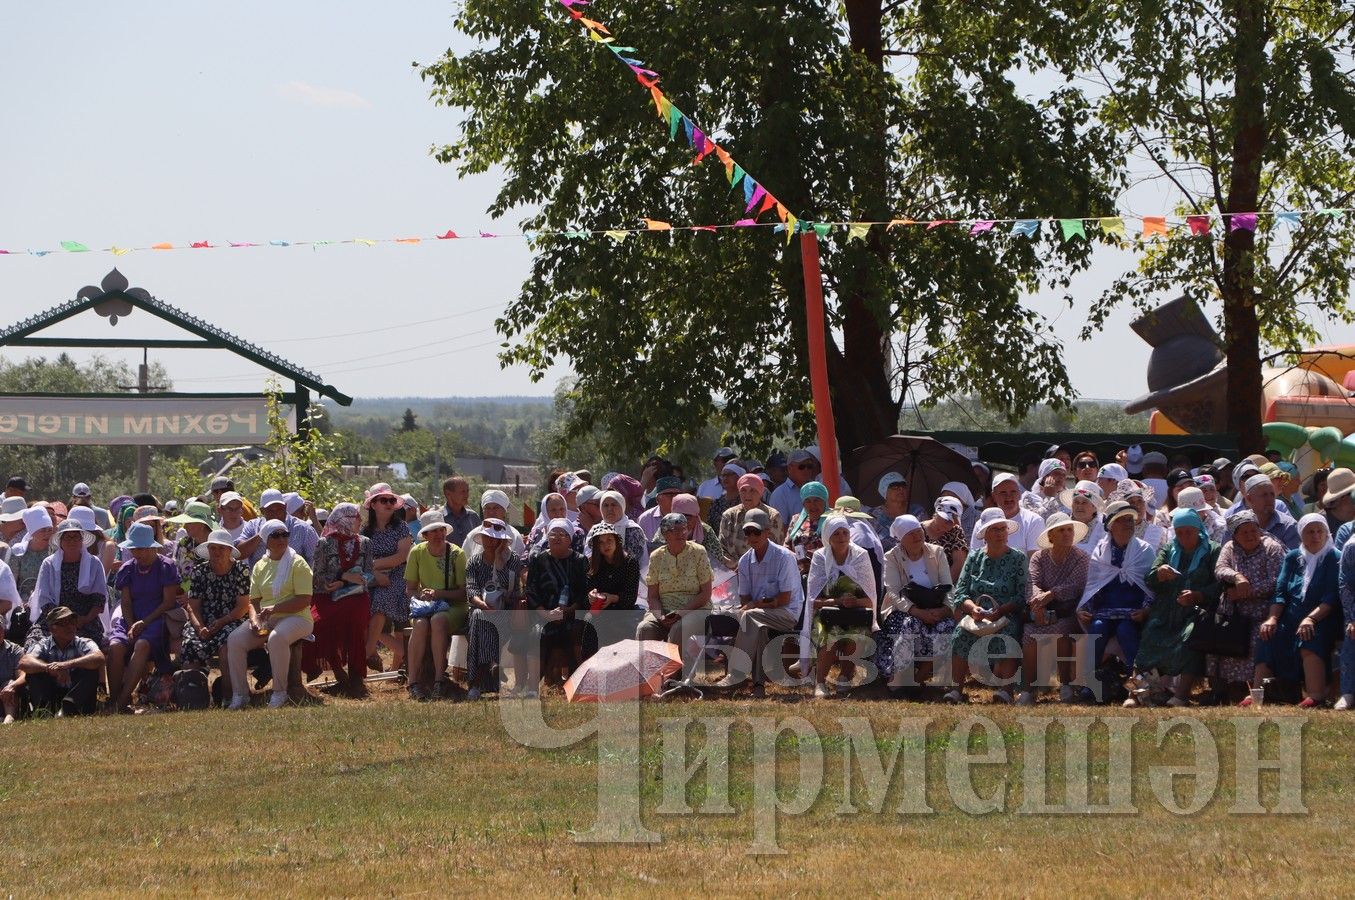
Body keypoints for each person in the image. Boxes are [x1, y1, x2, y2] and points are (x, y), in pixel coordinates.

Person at [1130, 508, 1223, 707]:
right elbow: (1150, 579)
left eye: (1188, 532)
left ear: (1198, 529)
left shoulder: (1213, 550)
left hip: (1196, 611)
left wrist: (1199, 595)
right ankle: (1136, 694)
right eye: (1179, 532)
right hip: (1166, 610)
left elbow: (1220, 583)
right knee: (1150, 635)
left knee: (1190, 636)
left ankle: (1181, 695)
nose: (1183, 537)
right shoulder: (1170, 549)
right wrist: (1159, 574)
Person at [711, 509, 803, 697]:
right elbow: (744, 598)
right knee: (753, 622)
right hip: (759, 614)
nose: (752, 536)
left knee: (751, 617)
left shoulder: (784, 557)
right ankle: (759, 686)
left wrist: (756, 604)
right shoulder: (744, 561)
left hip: (787, 613)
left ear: (768, 532)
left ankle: (735, 674)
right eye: (748, 532)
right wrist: (752, 606)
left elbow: (784, 599)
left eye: (757, 532)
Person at [226, 519, 315, 709]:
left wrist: (274, 609)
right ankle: (240, 695)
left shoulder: (298, 563)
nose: (282, 538)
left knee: (276, 638)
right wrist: (254, 619)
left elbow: (304, 600)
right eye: (276, 535)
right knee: (234, 640)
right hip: (268, 618)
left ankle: (280, 692)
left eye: (285, 534)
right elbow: (254, 600)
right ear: (266, 540)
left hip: (298, 617)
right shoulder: (260, 565)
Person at [1253, 513, 1340, 707]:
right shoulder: (1293, 557)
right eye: (1310, 531)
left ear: (1327, 534)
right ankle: (1258, 694)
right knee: (1268, 635)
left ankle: (1315, 695)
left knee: (1309, 637)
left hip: (1322, 617)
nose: (1315, 535)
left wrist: (1311, 619)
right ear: (1301, 534)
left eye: (1320, 531)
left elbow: (1331, 597)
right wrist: (1272, 618)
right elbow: (1280, 592)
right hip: (1291, 615)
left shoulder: (1334, 558)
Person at [945, 507, 1027, 704]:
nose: (1000, 534)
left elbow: (1021, 595)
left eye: (1002, 529)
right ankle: (956, 690)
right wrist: (973, 609)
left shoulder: (1018, 559)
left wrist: (1001, 611)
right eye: (995, 529)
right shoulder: (974, 557)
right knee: (960, 635)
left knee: (1009, 632)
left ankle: (1005, 691)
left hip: (1007, 614)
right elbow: (961, 591)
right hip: (977, 615)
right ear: (985, 535)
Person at [1076, 501, 1154, 702]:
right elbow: (1094, 586)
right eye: (1122, 520)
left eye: (1131, 520)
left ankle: (1137, 688)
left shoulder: (1144, 550)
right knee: (1097, 628)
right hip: (1105, 610)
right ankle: (1090, 685)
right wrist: (1085, 609)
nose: (1129, 524)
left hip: (1133, 611)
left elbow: (1150, 587)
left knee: (1125, 631)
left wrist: (1145, 611)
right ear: (1111, 525)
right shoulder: (1100, 552)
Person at [1210, 510, 1286, 702]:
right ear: (1235, 535)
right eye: (1244, 532)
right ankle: (1227, 689)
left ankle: (1255, 691)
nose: (1250, 535)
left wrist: (1247, 591)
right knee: (1219, 636)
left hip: (1263, 610)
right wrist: (1237, 577)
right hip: (1233, 611)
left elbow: (1276, 581)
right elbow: (1220, 569)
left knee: (1255, 637)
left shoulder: (1272, 548)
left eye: (1253, 530)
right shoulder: (1230, 547)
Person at [874, 514, 954, 695]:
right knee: (910, 624)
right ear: (901, 539)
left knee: (948, 627)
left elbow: (949, 586)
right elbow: (893, 592)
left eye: (919, 532)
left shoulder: (937, 552)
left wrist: (945, 610)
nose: (917, 536)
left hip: (935, 609)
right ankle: (899, 678)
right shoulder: (892, 557)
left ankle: (919, 679)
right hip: (903, 610)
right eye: (911, 534)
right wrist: (916, 611)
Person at [1018, 513, 1089, 705]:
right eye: (1061, 530)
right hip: (1042, 610)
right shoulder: (1039, 558)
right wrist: (1037, 603)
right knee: (1029, 633)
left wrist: (1051, 594)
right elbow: (1032, 582)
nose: (1067, 534)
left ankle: (1066, 684)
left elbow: (1077, 586)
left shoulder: (1081, 558)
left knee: (1061, 630)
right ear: (1051, 536)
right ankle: (1027, 690)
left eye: (1069, 530)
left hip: (1070, 611)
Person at [109, 522, 179, 713]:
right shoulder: (128, 568)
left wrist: (144, 622)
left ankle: (122, 701)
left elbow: (168, 602)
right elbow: (126, 603)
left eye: (140, 548)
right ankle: (113, 698)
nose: (136, 553)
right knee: (115, 647)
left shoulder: (167, 566)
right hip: (131, 619)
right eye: (133, 548)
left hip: (157, 619)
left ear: (151, 547)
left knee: (142, 645)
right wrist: (132, 625)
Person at [306, 503, 374, 699]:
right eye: (356, 517)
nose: (360, 521)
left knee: (354, 618)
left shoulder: (365, 543)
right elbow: (316, 577)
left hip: (356, 596)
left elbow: (369, 575)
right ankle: (338, 673)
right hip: (327, 596)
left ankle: (356, 678)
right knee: (318, 622)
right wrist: (341, 577)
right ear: (344, 519)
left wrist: (357, 581)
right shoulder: (324, 543)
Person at [806, 516, 878, 698]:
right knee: (831, 634)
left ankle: (845, 676)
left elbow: (870, 599)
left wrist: (854, 602)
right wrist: (838, 602)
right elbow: (814, 600)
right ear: (828, 537)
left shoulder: (860, 555)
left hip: (857, 611)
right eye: (836, 533)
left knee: (857, 631)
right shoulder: (820, 557)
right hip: (826, 612)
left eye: (845, 532)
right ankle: (820, 682)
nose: (841, 537)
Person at [179, 529, 251, 695]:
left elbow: (242, 607)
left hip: (232, 619)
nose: (217, 552)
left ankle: (228, 696)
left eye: (221, 548)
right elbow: (193, 606)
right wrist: (199, 627)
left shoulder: (241, 570)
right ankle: (193, 697)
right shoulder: (199, 571)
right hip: (204, 620)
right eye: (213, 548)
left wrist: (221, 622)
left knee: (226, 646)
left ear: (229, 550)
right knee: (189, 644)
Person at [405, 511, 468, 701]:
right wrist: (423, 596)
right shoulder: (416, 552)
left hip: (453, 607)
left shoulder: (457, 553)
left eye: (440, 529)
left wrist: (438, 594)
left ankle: (439, 680)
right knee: (421, 624)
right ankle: (413, 682)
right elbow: (410, 590)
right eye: (432, 531)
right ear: (424, 535)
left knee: (438, 620)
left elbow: (463, 592)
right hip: (425, 608)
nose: (438, 534)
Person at [524, 519, 591, 688]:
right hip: (543, 615)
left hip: (572, 613)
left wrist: (568, 610)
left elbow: (584, 593)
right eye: (553, 533)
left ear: (570, 539)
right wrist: (546, 614)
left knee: (576, 630)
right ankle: (532, 686)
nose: (557, 537)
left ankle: (578, 681)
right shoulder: (539, 560)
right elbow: (531, 592)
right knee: (537, 633)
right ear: (547, 537)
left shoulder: (580, 560)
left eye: (563, 534)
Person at [24, 519, 107, 653]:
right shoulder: (49, 564)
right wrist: (63, 621)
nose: (72, 541)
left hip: (85, 621)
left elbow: (99, 599)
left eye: (76, 537)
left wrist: (83, 619)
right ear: (60, 541)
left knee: (86, 648)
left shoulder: (94, 563)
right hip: (53, 620)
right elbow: (44, 599)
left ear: (82, 540)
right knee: (34, 644)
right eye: (67, 537)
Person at [464, 519, 525, 699]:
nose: (491, 541)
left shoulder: (512, 560)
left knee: (480, 622)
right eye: (487, 537)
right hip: (481, 609)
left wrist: (499, 559)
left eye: (495, 538)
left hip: (507, 611)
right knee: (477, 616)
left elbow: (511, 589)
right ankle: (490, 664)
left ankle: (476, 681)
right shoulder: (474, 562)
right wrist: (482, 604)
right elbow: (471, 589)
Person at [636, 513, 713, 647]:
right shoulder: (656, 557)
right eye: (675, 530)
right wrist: (660, 617)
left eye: (684, 529)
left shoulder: (698, 552)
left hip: (695, 610)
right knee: (645, 629)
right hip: (664, 612)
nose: (681, 533)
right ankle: (649, 668)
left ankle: (675, 669)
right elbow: (652, 597)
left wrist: (680, 613)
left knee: (678, 629)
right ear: (665, 534)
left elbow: (706, 594)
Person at [361, 484, 412, 674]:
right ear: (373, 505)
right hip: (374, 579)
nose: (389, 503)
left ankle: (369, 652)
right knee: (365, 611)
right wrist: (375, 572)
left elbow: (402, 556)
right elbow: (362, 561)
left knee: (382, 603)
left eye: (392, 500)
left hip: (399, 577)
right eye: (384, 500)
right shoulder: (366, 532)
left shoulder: (401, 527)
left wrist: (373, 565)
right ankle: (408, 656)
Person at [18, 606, 103, 716]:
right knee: (33, 673)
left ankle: (69, 708)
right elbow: (24, 662)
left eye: (72, 622)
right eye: (63, 623)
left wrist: (65, 665)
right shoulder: (43, 644)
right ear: (52, 629)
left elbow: (99, 657)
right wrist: (49, 668)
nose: (70, 626)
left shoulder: (83, 642)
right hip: (52, 694)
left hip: (76, 697)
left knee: (90, 671)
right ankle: (45, 711)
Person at [236, 488, 319, 568]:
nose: (276, 514)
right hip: (261, 580)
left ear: (285, 507)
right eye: (270, 511)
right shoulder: (253, 526)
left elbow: (317, 560)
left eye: (279, 509)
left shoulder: (303, 529)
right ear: (262, 511)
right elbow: (238, 553)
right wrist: (262, 533)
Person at [718, 473, 784, 570]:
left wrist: (749, 567)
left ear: (761, 493)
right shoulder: (729, 515)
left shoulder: (773, 516)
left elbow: (775, 549)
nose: (747, 495)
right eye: (743, 490)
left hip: (765, 570)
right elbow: (721, 547)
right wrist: (733, 565)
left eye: (753, 490)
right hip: (733, 571)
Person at [970, 473, 1044, 553]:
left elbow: (1034, 561)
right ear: (994, 496)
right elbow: (974, 558)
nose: (1008, 496)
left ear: (1019, 494)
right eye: (1003, 492)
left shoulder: (1034, 521)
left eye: (1013, 491)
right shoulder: (982, 523)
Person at [585, 522, 641, 614]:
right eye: (600, 542)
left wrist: (612, 598)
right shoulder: (591, 563)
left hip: (623, 612)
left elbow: (631, 597)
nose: (606, 545)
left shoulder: (630, 562)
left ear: (616, 541)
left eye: (609, 540)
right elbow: (585, 593)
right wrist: (591, 595)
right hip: (599, 612)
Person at [461, 489, 526, 561]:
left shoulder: (514, 535)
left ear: (504, 511)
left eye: (496, 508)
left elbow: (519, 565)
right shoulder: (472, 535)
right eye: (487, 508)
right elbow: (464, 563)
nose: (491, 512)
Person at [1241, 473, 1299, 551]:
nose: (1270, 499)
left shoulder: (1289, 526)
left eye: (1272, 494)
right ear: (1249, 499)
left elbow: (1294, 560)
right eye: (1264, 495)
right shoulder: (1238, 527)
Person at [785, 481, 830, 577]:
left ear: (824, 501)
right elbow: (787, 545)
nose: (812, 505)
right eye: (808, 501)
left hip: (824, 574)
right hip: (797, 574)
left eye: (817, 500)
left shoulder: (832, 520)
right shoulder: (796, 519)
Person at [871, 473, 923, 553]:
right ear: (884, 491)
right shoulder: (873, 515)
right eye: (895, 486)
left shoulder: (918, 511)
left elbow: (924, 538)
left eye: (903, 485)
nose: (901, 489)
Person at [598, 490, 649, 571]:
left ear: (622, 506)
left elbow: (636, 561)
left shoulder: (633, 530)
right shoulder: (596, 531)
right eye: (606, 505)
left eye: (614, 505)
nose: (609, 509)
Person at [921, 497, 968, 583]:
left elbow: (959, 563)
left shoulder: (956, 531)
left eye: (953, 522)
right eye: (947, 520)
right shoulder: (918, 530)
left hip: (948, 584)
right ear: (937, 513)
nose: (950, 525)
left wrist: (944, 587)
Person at [526, 493, 585, 557]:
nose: (558, 513)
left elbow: (577, 558)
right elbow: (525, 555)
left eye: (562, 509)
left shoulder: (576, 533)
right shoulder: (536, 533)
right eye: (553, 510)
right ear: (545, 512)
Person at [1060, 480, 1105, 552]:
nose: (1079, 506)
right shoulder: (1061, 525)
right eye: (1076, 502)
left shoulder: (1103, 530)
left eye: (1084, 502)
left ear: (1094, 507)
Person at [637, 476, 684, 541]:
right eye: (669, 494)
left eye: (677, 494)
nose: (674, 498)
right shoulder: (645, 519)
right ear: (658, 499)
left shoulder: (689, 517)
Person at [439, 476, 481, 548]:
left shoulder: (473, 517)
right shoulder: (438, 517)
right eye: (462, 491)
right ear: (448, 494)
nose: (466, 495)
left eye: (467, 491)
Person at [706, 463, 744, 533]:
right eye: (723, 475)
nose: (725, 478)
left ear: (739, 478)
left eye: (729, 475)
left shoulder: (745, 501)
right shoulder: (716, 504)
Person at [1, 634, 22, 723]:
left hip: (6, 693)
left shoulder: (15, 649)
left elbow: (22, 675)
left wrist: (12, 686)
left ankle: (9, 717)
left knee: (9, 683)